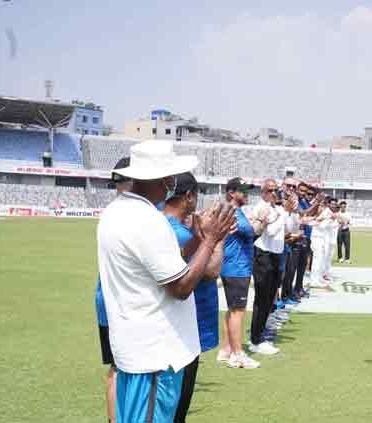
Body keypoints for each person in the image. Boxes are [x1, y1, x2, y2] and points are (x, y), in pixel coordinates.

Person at [97, 140, 234, 423]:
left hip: (137, 347)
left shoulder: (117, 211)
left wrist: (200, 237)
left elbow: (165, 262)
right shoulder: (147, 220)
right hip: (154, 356)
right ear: (167, 179)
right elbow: (181, 287)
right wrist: (211, 240)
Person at [161, 172, 226, 422]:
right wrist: (216, 239)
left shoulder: (164, 225)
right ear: (188, 196)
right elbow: (210, 272)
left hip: (173, 328)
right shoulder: (177, 233)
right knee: (176, 406)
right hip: (181, 330)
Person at [95, 156, 132, 423]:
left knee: (117, 366)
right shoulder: (129, 215)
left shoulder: (113, 211)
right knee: (122, 366)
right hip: (119, 302)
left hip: (108, 299)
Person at [217, 177, 261, 369]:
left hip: (234, 267)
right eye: (243, 191)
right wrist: (260, 222)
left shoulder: (236, 211)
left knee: (232, 310)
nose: (246, 194)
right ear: (231, 193)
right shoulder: (233, 213)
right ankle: (237, 354)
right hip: (236, 267)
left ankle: (226, 350)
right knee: (238, 312)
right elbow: (251, 230)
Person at [248, 179, 287, 355]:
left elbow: (286, 229)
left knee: (269, 298)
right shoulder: (261, 208)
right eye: (270, 190)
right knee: (262, 299)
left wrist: (286, 213)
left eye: (276, 189)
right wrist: (285, 213)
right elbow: (270, 232)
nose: (274, 192)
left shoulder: (276, 208)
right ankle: (255, 339)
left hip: (275, 255)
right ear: (263, 192)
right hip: (264, 255)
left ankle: (260, 335)